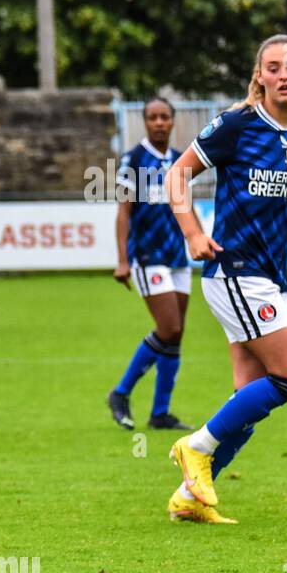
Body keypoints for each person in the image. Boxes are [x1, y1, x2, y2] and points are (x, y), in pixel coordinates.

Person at [164, 34, 287, 524]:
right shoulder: (236, 125)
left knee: (250, 396)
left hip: (272, 278)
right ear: (259, 76)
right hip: (235, 271)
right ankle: (195, 447)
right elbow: (176, 175)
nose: (283, 75)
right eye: (273, 67)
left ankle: (189, 498)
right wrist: (192, 233)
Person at [107, 97, 192, 431]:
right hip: (147, 256)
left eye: (164, 117)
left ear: (172, 121)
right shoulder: (135, 159)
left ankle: (160, 413)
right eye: (153, 117)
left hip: (177, 256)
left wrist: (200, 239)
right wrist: (122, 260)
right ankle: (120, 392)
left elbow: (186, 207)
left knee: (176, 335)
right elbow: (124, 212)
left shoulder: (181, 160)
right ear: (145, 122)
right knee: (168, 328)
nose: (159, 122)